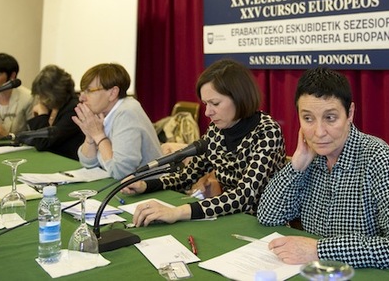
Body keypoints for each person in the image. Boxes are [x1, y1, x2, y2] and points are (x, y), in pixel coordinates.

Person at [257, 67, 389, 269]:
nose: (319, 132)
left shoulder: (377, 156)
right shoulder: (310, 156)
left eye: (330, 118)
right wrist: (297, 163)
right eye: (308, 118)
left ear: (350, 113)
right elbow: (268, 216)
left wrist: (319, 250)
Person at [121, 58, 286, 226]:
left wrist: (178, 212)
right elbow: (187, 177)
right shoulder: (216, 130)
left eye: (215, 103)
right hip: (229, 218)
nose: (207, 112)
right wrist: (145, 185)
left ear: (239, 97)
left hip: (264, 223)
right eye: (205, 104)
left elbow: (244, 196)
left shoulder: (267, 131)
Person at [72, 63, 162, 180]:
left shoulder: (127, 113)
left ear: (113, 93)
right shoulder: (103, 113)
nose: (81, 98)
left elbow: (121, 172)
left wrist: (98, 135)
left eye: (89, 90)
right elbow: (88, 163)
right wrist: (90, 137)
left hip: (150, 189)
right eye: (82, 91)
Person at [25, 65, 84, 160]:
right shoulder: (53, 107)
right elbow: (33, 141)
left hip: (68, 162)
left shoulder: (73, 109)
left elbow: (43, 143)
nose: (40, 99)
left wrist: (42, 115)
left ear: (55, 92)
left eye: (43, 95)